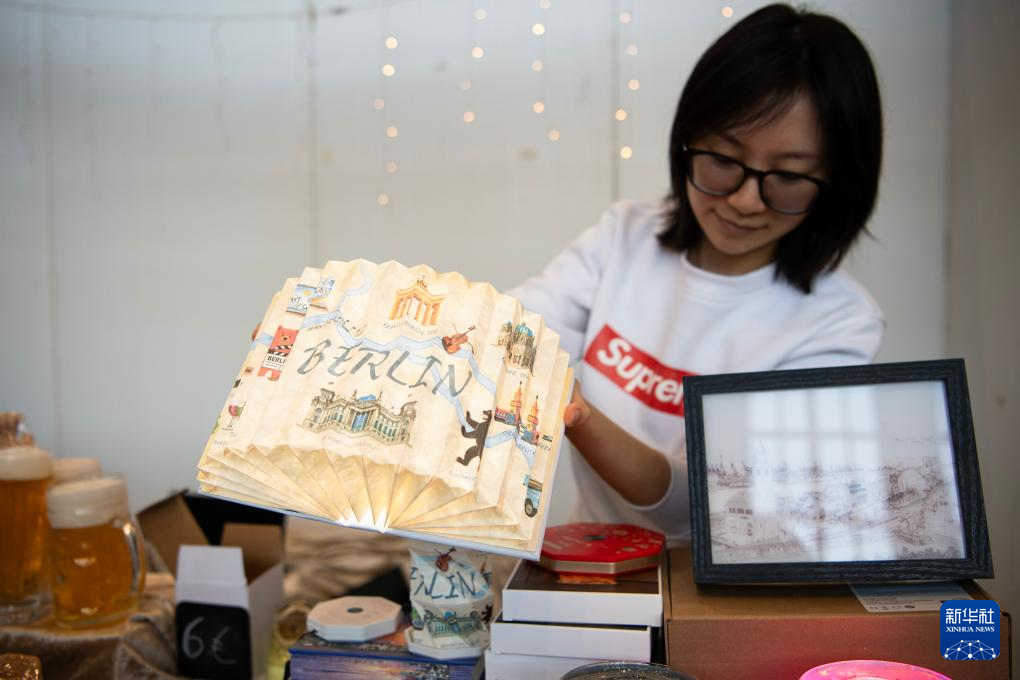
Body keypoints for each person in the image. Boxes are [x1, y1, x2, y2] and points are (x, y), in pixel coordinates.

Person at [511, 3, 885, 543]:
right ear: (687, 141)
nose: (745, 200)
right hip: (583, 569)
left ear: (837, 181)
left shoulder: (837, 323)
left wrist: (575, 413)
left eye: (787, 177)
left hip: (705, 590)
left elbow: (698, 505)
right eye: (724, 160)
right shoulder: (625, 238)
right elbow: (516, 330)